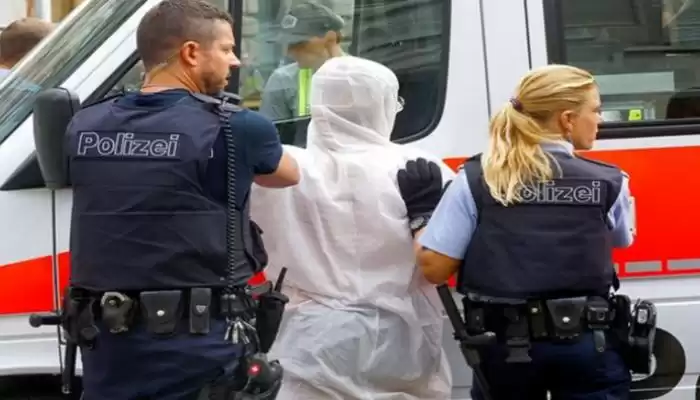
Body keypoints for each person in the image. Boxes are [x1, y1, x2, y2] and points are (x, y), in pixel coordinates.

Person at [62, 1, 300, 399]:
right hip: (199, 350)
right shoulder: (235, 127)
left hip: (107, 348)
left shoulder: (84, 124)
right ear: (191, 52)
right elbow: (287, 174)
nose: (235, 61)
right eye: (226, 49)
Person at [411, 64, 636, 399]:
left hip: (506, 348)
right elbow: (622, 240)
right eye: (595, 110)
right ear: (567, 119)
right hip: (590, 344)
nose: (599, 120)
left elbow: (435, 268)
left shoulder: (475, 179)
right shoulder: (609, 181)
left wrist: (421, 217)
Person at [250, 55, 453, 399]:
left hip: (308, 337)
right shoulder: (421, 167)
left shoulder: (283, 169)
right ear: (383, 105)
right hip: (403, 337)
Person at [259, 0, 345, 146]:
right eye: (288, 44)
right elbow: (268, 141)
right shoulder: (285, 80)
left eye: (299, 43)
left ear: (330, 39)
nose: (289, 52)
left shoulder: (365, 78)